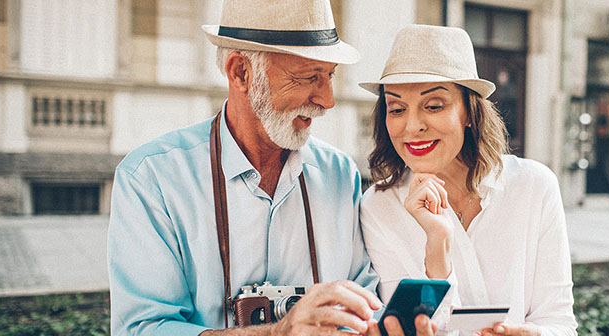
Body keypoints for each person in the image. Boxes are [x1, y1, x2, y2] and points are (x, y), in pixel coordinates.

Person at [107, 1, 388, 335]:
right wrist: (278, 332)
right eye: (309, 77)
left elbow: (366, 302)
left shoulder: (340, 174)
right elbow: (141, 329)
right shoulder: (151, 179)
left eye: (329, 76)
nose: (327, 100)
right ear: (240, 72)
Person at [359, 25, 578, 336]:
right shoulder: (378, 207)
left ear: (470, 113)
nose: (412, 126)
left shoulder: (534, 186)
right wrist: (438, 247)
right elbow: (409, 330)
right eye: (396, 109)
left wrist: (534, 334)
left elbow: (561, 324)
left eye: (433, 105)